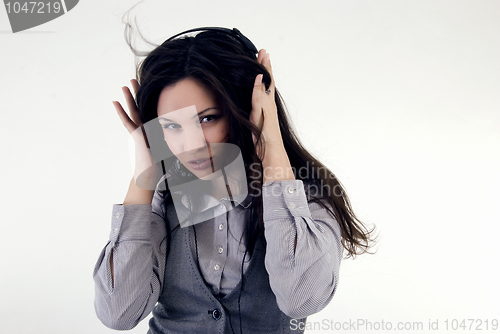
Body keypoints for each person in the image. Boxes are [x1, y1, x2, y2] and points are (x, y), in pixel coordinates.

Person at [93, 27, 375, 334]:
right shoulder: (165, 201)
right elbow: (118, 314)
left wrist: (272, 149)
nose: (191, 144)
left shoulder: (305, 197)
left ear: (246, 107)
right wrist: (142, 178)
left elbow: (302, 299)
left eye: (208, 118)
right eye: (172, 126)